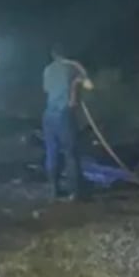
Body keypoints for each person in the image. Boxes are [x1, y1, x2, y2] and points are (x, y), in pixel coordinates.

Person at [41, 44, 93, 201]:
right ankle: (75, 192)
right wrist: (79, 77)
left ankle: (54, 190)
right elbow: (90, 86)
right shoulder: (72, 68)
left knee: (52, 151)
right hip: (64, 115)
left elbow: (46, 89)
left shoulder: (48, 70)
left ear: (53, 54)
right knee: (71, 153)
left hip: (48, 115)